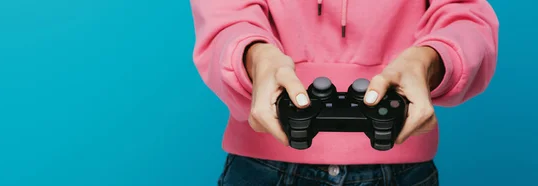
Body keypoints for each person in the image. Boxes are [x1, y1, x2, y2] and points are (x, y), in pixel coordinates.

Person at [189, 0, 498, 185]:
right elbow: (225, 11)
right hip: (263, 164)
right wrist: (255, 58)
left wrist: (429, 60)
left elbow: (465, 14)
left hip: (401, 161)